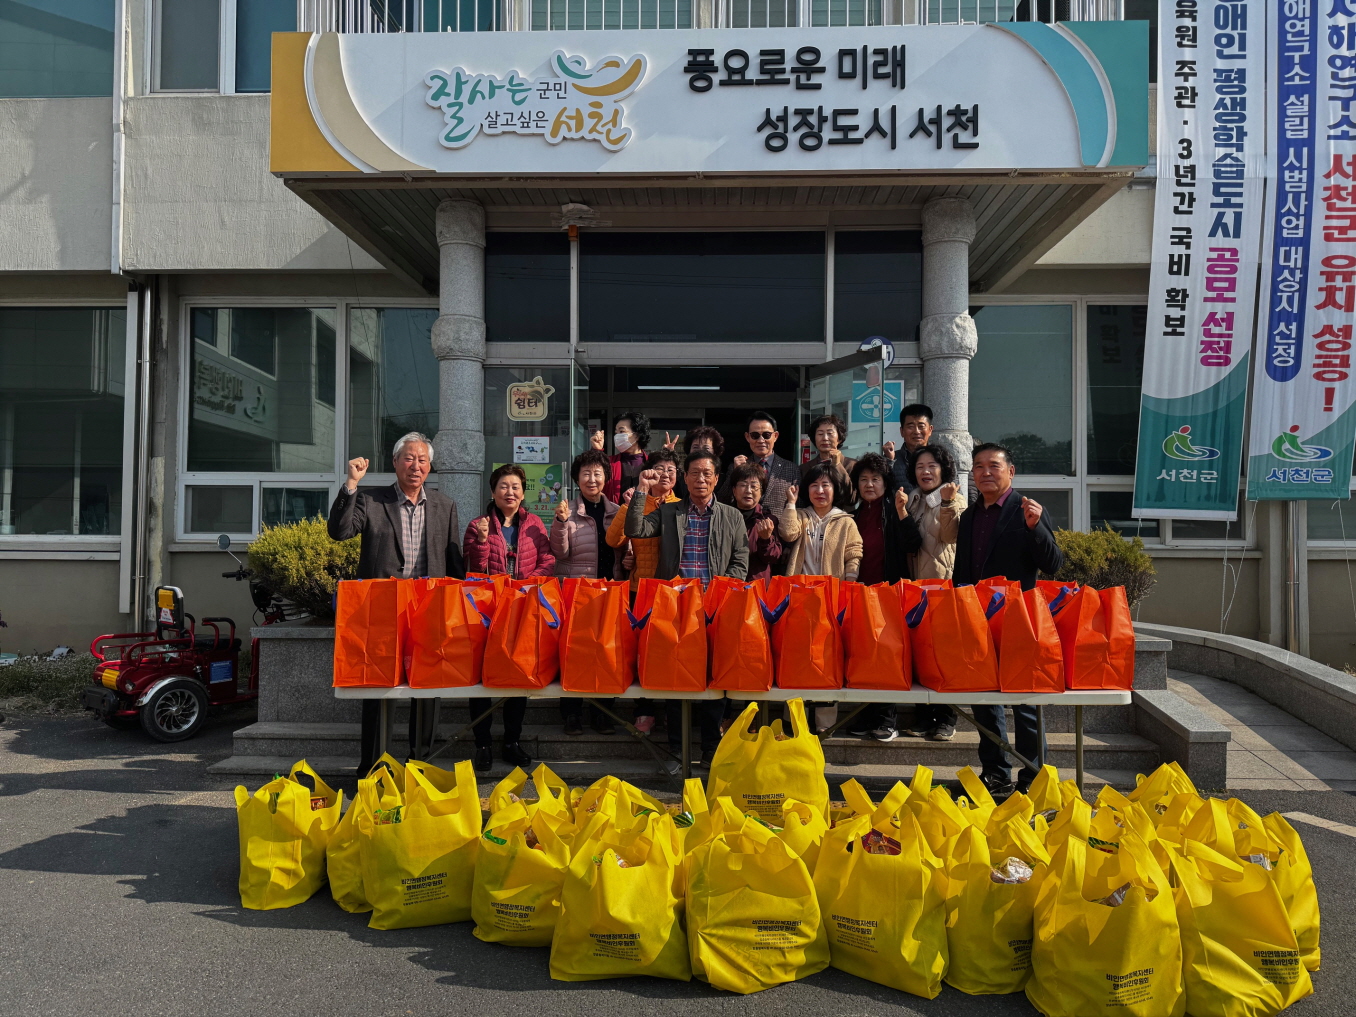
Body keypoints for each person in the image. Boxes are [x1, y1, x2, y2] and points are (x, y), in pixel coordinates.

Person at [327, 433, 465, 777]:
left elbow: (453, 561)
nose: (415, 465)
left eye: (422, 460)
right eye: (408, 458)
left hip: (428, 608)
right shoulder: (372, 500)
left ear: (430, 467)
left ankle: (420, 762)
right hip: (382, 609)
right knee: (376, 687)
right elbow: (339, 531)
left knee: (427, 687)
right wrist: (350, 486)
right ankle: (371, 766)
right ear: (395, 462)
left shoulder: (444, 506)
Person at [953, 442, 1063, 799]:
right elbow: (962, 571)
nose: (986, 472)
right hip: (978, 619)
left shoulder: (1026, 509)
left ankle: (1033, 776)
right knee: (984, 701)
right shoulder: (969, 516)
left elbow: (1054, 563)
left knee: (1025, 702)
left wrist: (1035, 529)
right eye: (979, 466)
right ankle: (996, 771)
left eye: (994, 466)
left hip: (1019, 621)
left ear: (1010, 472)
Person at [625, 452, 748, 769]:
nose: (701, 479)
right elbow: (636, 529)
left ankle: (710, 748)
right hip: (676, 607)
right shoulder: (667, 512)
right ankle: (678, 750)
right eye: (694, 473)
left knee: (713, 679)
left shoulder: (732, 517)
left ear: (716, 479)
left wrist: (721, 591)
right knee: (675, 678)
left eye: (707, 473)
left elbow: (740, 560)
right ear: (686, 477)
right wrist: (642, 489)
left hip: (714, 606)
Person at [463, 464, 557, 773]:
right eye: (503, 486)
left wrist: (529, 587)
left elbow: (547, 559)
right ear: (492, 492)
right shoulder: (478, 524)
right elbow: (473, 570)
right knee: (482, 677)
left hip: (521, 609)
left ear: (522, 492)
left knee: (518, 673)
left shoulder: (534, 525)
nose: (510, 492)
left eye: (515, 487)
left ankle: (512, 742)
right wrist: (480, 541)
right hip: (487, 612)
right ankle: (483, 744)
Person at [777, 460, 863, 734]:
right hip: (799, 597)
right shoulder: (801, 515)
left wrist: (850, 581)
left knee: (828, 658)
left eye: (825, 485)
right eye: (814, 485)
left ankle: (825, 725)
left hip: (831, 598)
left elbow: (854, 552)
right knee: (796, 657)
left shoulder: (846, 521)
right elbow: (788, 533)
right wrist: (790, 504)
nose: (820, 490)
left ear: (835, 490)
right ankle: (794, 722)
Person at [845, 452, 921, 743]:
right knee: (865, 654)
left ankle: (887, 720)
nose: (869, 484)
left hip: (889, 591)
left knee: (887, 654)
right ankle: (867, 716)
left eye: (875, 479)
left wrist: (902, 513)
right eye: (863, 479)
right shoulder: (855, 513)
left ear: (885, 483)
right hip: (861, 591)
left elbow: (912, 543)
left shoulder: (894, 508)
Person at [606, 447, 682, 736]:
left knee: (669, 651)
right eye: (659, 469)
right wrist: (636, 496)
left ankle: (671, 710)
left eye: (671, 470)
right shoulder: (638, 502)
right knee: (642, 652)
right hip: (640, 589)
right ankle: (645, 710)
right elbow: (613, 538)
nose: (664, 474)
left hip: (672, 590)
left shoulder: (682, 506)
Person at [901, 443, 968, 743]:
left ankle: (946, 719)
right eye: (920, 467)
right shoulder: (912, 499)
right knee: (919, 651)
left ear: (943, 470)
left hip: (942, 585)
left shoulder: (956, 500)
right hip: (915, 586)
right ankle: (923, 716)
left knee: (943, 654)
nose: (926, 472)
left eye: (932, 466)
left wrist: (947, 503)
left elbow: (949, 535)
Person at [552, 449, 620, 737]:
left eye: (597, 473)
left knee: (607, 653)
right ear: (577, 478)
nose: (592, 479)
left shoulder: (616, 511)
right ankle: (572, 714)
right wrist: (560, 523)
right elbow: (560, 552)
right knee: (575, 653)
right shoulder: (568, 511)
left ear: (606, 478)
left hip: (609, 592)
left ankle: (603, 713)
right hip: (577, 593)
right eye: (586, 473)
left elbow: (624, 551)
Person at [720, 411, 799, 507]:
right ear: (747, 437)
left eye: (766, 435)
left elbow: (799, 506)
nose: (761, 440)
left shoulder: (791, 469)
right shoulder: (737, 466)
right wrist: (735, 473)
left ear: (775, 436)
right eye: (755, 436)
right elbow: (722, 501)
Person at [727, 462, 783, 582]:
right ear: (734, 490)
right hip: (727, 584)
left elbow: (774, 557)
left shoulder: (768, 520)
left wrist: (766, 539)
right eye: (743, 485)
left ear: (761, 492)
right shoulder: (724, 518)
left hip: (757, 588)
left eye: (754, 486)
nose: (748, 491)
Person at [591, 410, 651, 503]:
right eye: (616, 432)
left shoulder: (651, 464)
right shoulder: (609, 463)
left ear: (637, 435)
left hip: (646, 516)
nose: (617, 436)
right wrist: (596, 451)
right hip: (614, 515)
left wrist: (668, 456)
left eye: (621, 431)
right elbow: (592, 477)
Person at [884, 403, 936, 494]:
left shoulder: (941, 459)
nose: (916, 431)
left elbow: (955, 493)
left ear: (930, 430)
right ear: (902, 431)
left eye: (921, 426)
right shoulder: (891, 459)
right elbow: (882, 491)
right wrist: (888, 461)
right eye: (910, 427)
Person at [669, 425, 724, 500]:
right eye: (695, 447)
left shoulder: (723, 480)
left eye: (706, 448)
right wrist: (668, 459)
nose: (700, 451)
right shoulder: (679, 478)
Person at [801, 413, 857, 486]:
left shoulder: (853, 465)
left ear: (839, 438)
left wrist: (837, 465)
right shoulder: (804, 469)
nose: (825, 438)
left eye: (830, 433)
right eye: (820, 434)